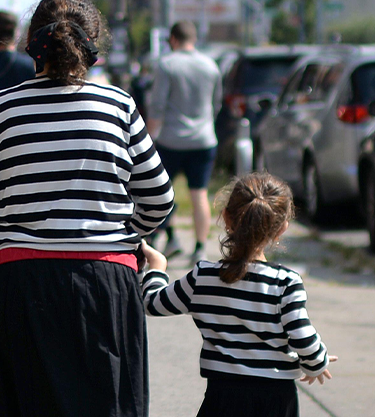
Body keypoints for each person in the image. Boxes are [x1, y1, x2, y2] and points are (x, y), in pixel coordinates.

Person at [0, 0, 175, 416]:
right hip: (104, 283)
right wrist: (120, 234)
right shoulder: (119, 106)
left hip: (18, 283)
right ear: (93, 47)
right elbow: (159, 199)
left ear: (32, 45)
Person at [140, 172, 336, 417]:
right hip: (275, 401)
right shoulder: (285, 283)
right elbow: (303, 338)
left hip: (222, 398)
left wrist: (156, 268)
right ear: (282, 229)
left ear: (226, 218)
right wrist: (317, 362)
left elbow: (152, 303)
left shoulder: (203, 277)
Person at [146, 21, 222, 262]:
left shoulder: (167, 65)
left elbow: (157, 107)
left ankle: (168, 238)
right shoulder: (211, 65)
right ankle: (200, 247)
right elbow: (216, 103)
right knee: (199, 194)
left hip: (171, 140)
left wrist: (147, 138)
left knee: (161, 192)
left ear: (173, 40)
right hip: (204, 139)